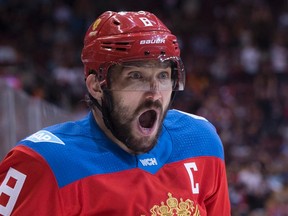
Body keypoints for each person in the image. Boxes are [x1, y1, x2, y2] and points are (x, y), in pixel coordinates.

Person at [0, 11, 231, 215]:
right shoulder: (44, 165)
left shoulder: (202, 141)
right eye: (136, 77)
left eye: (162, 76)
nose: (154, 94)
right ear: (97, 86)